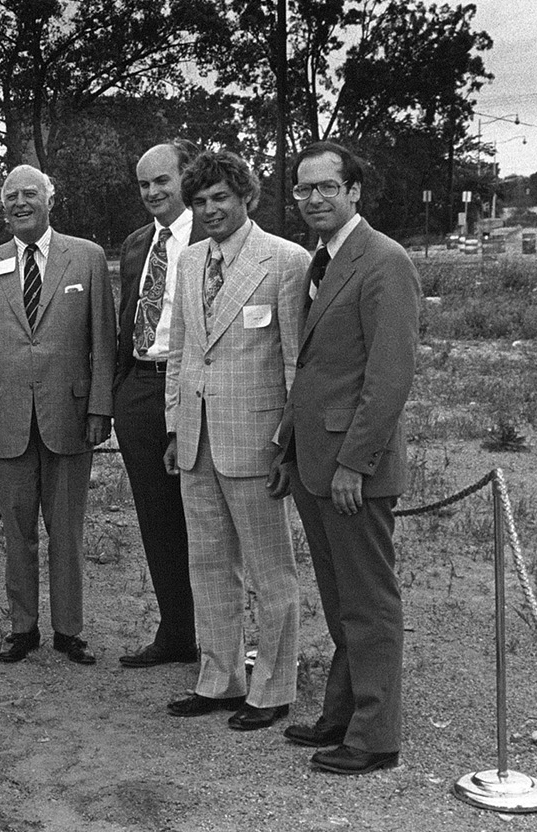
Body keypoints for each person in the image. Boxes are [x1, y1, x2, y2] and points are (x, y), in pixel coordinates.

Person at [270, 140, 419, 774]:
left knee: (369, 602)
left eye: (327, 187)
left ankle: (376, 737)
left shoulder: (384, 261)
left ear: (354, 191)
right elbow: (314, 371)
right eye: (304, 190)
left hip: (354, 468)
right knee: (339, 601)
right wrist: (288, 447)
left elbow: (388, 377)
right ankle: (342, 713)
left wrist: (356, 462)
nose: (314, 199)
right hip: (313, 462)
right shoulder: (320, 263)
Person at [161, 150, 309, 731]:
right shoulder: (191, 260)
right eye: (199, 202)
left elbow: (296, 361)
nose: (210, 210)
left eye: (221, 197)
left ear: (246, 197)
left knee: (272, 571)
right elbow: (180, 354)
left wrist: (286, 443)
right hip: (197, 440)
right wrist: (175, 429)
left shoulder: (285, 261)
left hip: (256, 441)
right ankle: (219, 679)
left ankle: (273, 690)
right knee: (210, 567)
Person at [0, 164, 116, 664]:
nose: (21, 202)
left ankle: (69, 631)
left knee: (67, 531)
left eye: (31, 193)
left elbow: (103, 343)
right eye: (11, 196)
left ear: (51, 200)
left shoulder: (88, 259)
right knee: (16, 530)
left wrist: (100, 407)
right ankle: (22, 628)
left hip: (70, 416)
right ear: (1, 206)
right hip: (6, 419)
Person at [112, 140, 204, 669]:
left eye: (161, 182)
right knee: (156, 516)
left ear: (187, 177)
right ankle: (175, 632)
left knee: (206, 516)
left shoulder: (210, 237)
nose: (151, 193)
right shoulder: (135, 244)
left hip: (191, 383)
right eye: (143, 184)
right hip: (141, 388)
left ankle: (220, 639)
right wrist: (123, 390)